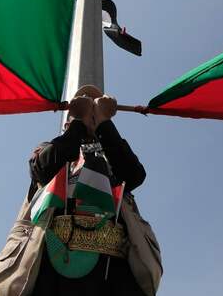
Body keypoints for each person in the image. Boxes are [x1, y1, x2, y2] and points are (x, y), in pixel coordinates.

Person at [28, 86, 148, 296]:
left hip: (111, 269)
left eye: (94, 109)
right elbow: (44, 169)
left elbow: (134, 175)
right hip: (54, 265)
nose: (90, 112)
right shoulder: (51, 147)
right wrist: (78, 125)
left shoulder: (113, 152)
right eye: (84, 108)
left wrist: (104, 125)